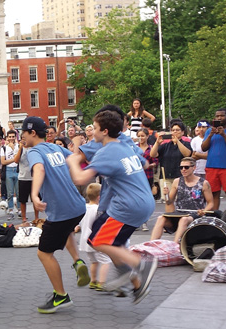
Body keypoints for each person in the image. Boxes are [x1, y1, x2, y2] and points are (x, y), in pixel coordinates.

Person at [68, 110, 157, 305]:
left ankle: (142, 265)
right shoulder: (123, 145)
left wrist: (72, 161)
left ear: (105, 131)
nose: (92, 132)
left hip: (128, 206)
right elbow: (145, 164)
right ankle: (135, 284)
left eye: (95, 128)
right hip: (143, 201)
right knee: (111, 243)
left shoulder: (107, 151)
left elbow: (80, 178)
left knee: (99, 242)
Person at [21, 116, 90, 314]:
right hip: (78, 207)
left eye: (23, 133)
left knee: (43, 253)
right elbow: (75, 158)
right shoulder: (55, 147)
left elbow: (39, 169)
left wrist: (34, 194)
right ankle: (77, 261)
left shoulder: (34, 151)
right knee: (66, 231)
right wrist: (77, 144)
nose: (22, 138)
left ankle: (61, 296)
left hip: (62, 211)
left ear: (32, 133)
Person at [150, 157, 213, 242]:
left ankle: (175, 246)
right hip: (179, 212)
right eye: (181, 167)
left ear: (194, 168)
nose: (183, 169)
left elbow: (211, 203)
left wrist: (204, 211)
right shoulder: (177, 181)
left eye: (186, 167)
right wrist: (166, 195)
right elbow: (169, 201)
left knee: (184, 220)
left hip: (195, 214)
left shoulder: (203, 183)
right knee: (160, 218)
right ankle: (151, 245)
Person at [201, 108, 226, 210]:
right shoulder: (209, 131)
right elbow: (203, 148)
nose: (219, 118)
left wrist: (223, 134)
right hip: (211, 166)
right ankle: (215, 218)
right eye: (217, 116)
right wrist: (210, 135)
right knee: (213, 193)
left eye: (222, 116)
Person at [74, 183, 110, 291]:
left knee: (94, 261)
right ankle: (101, 283)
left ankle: (93, 281)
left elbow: (79, 223)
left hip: (85, 241)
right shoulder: (99, 209)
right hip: (97, 240)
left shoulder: (83, 208)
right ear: (99, 197)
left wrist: (76, 227)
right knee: (106, 261)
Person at [150, 121, 192, 203]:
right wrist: (157, 143)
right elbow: (153, 154)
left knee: (180, 200)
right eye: (173, 130)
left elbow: (187, 154)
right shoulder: (166, 145)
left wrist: (178, 141)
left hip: (181, 176)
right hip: (166, 176)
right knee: (168, 201)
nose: (175, 132)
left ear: (182, 132)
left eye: (177, 130)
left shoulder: (186, 143)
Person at [136, 128, 158, 230]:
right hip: (136, 177)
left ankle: (144, 221)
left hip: (148, 176)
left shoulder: (151, 148)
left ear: (147, 136)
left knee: (146, 199)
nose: (141, 138)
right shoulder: (134, 148)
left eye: (142, 136)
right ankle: (135, 221)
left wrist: (151, 165)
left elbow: (156, 160)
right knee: (136, 199)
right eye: (139, 136)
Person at [16, 132, 39, 223]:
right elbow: (16, 160)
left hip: (33, 177)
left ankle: (36, 217)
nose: (24, 140)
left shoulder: (33, 148)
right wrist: (20, 149)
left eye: (25, 138)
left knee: (35, 198)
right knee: (23, 200)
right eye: (22, 138)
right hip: (23, 177)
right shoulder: (19, 149)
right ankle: (24, 217)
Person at [0, 130, 20, 217]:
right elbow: (3, 161)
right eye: (10, 137)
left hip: (17, 169)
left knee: (19, 191)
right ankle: (11, 208)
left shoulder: (19, 147)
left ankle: (19, 209)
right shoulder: (3, 148)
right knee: (10, 192)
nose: (11, 138)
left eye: (13, 136)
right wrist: (14, 159)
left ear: (15, 137)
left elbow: (20, 159)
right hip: (8, 170)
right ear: (7, 138)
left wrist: (13, 149)